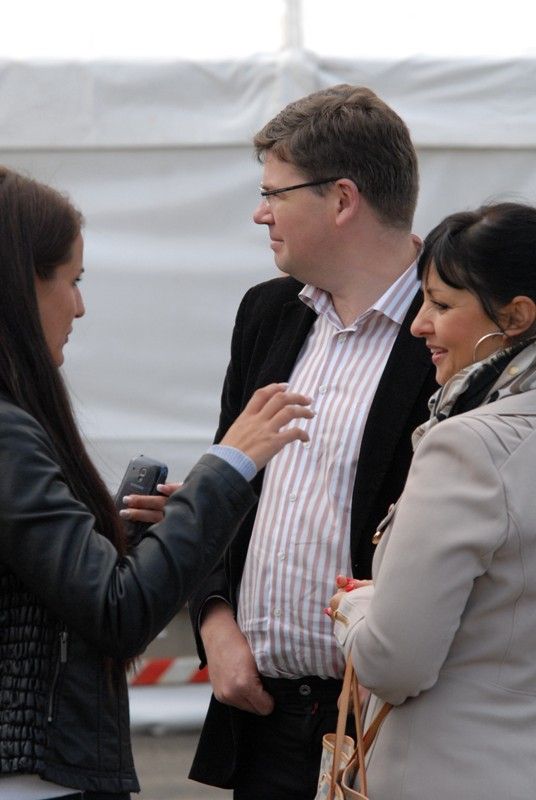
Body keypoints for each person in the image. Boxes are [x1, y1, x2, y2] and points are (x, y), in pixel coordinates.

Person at [0, 166, 313, 800]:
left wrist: (126, 538)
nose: (80, 306)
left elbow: (60, 585)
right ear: (20, 284)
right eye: (72, 280)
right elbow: (116, 611)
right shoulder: (7, 433)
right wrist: (228, 467)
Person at [187, 84, 437, 799]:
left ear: (342, 199)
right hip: (262, 722)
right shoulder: (268, 313)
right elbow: (226, 481)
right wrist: (214, 619)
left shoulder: (449, 326)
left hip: (392, 727)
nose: (260, 212)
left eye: (275, 193)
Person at [329, 202, 536, 800]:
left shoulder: (468, 445)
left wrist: (355, 609)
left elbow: (393, 663)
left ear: (516, 316)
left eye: (441, 305)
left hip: (454, 771)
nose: (419, 324)